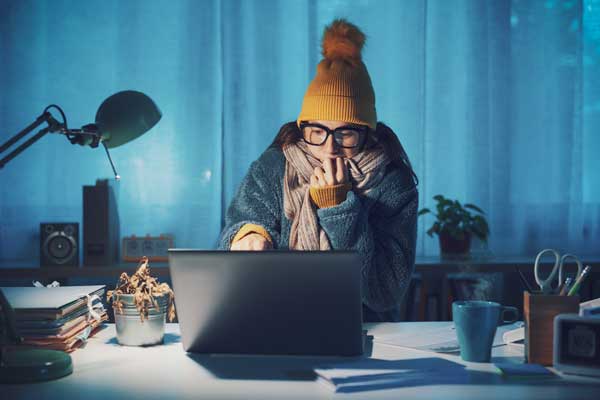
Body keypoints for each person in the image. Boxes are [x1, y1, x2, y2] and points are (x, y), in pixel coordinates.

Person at [218, 19, 418, 322]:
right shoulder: (274, 167)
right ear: (303, 128)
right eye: (317, 131)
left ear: (368, 132)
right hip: (276, 320)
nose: (329, 147)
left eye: (346, 133)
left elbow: (384, 292)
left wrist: (339, 208)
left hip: (365, 329)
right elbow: (241, 223)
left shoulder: (393, 183)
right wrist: (249, 234)